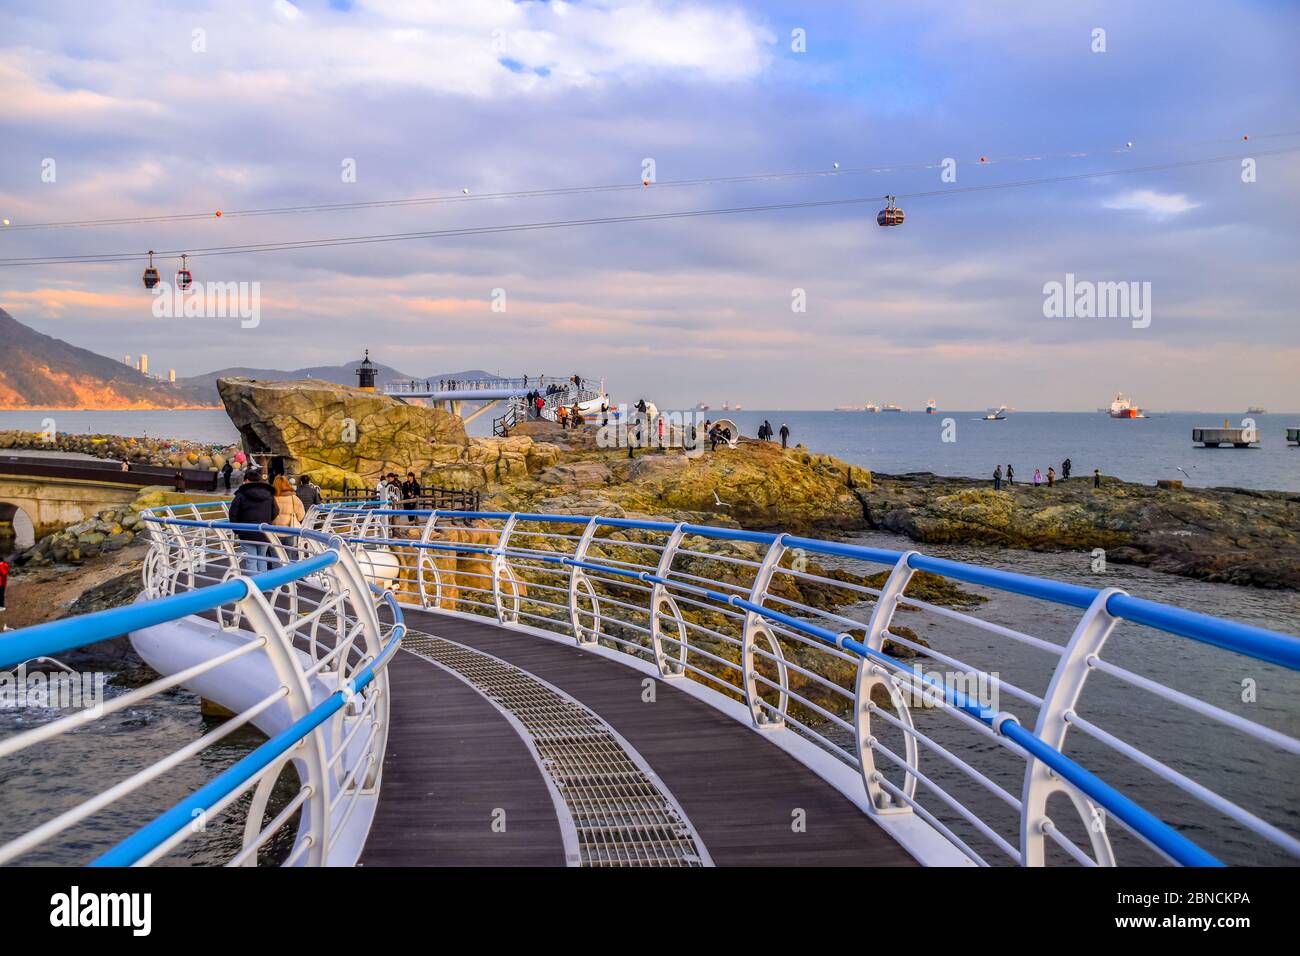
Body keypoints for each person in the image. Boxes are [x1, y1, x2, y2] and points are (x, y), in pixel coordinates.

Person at [228, 466, 276, 573]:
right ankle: (263, 584)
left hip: (247, 533)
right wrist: (267, 521)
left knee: (251, 560)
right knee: (262, 559)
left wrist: (237, 530)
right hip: (265, 532)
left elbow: (233, 514)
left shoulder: (240, 495)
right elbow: (275, 512)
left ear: (246, 481)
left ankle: (254, 585)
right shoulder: (269, 494)